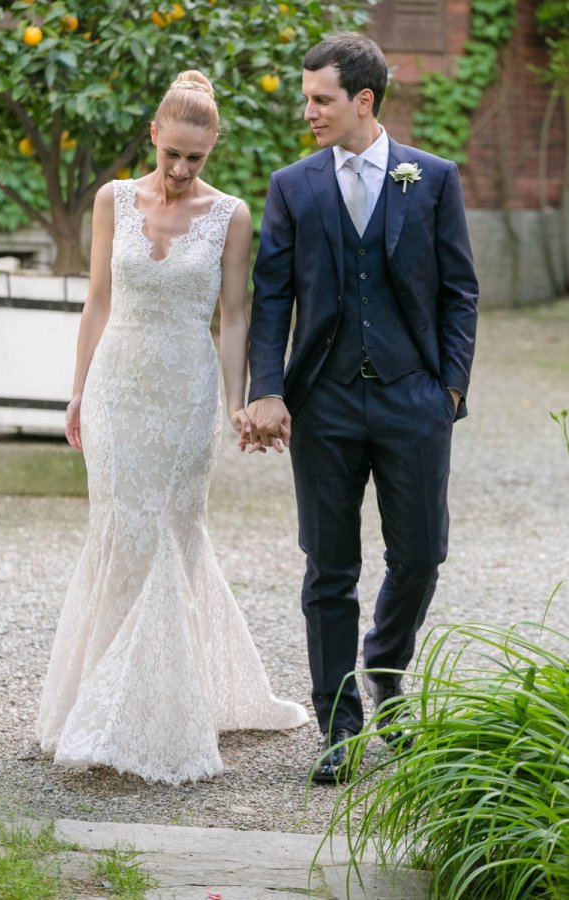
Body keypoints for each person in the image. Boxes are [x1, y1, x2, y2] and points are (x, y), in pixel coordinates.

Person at [36, 70, 308, 785]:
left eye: (197, 157)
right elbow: (96, 302)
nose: (183, 171)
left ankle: (150, 704)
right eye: (172, 155)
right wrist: (75, 392)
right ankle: (105, 700)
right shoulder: (112, 200)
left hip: (187, 394)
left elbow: (236, 315)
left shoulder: (232, 215)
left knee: (169, 534)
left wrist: (235, 402)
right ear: (154, 136)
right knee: (122, 533)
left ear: (212, 147)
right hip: (117, 387)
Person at [247, 34, 478, 782]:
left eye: (320, 99)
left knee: (420, 554)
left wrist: (448, 388)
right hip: (326, 400)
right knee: (329, 565)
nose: (306, 110)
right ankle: (338, 725)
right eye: (307, 96)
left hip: (415, 396)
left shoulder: (433, 178)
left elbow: (459, 289)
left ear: (364, 101)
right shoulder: (294, 185)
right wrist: (268, 387)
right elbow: (273, 294)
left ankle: (385, 667)